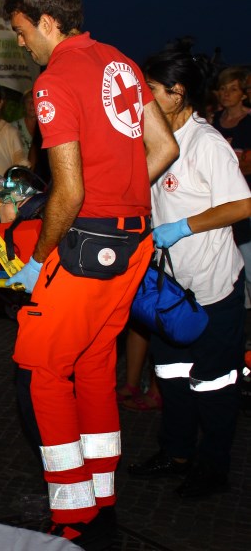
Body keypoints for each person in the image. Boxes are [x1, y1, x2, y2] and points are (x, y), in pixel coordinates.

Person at [1, 0, 179, 547]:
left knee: (43, 371)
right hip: (133, 244)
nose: (19, 42)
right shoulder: (123, 63)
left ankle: (74, 512)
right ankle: (103, 495)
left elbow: (69, 193)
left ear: (48, 21)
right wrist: (123, 198)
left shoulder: (54, 82)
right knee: (97, 366)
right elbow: (165, 147)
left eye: (22, 30)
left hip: (85, 250)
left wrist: (37, 260)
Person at [126, 40, 251, 499]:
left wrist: (183, 226)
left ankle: (212, 467)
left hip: (213, 291)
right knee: (172, 377)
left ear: (176, 93)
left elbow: (242, 204)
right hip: (168, 291)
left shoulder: (207, 144)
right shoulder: (156, 139)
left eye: (149, 88)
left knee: (213, 384)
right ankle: (175, 454)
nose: (140, 97)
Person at [210, 67, 251, 305]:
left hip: (243, 197)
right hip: (220, 198)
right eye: (223, 89)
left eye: (232, 89)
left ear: (243, 94)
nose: (226, 94)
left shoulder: (247, 122)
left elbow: (246, 165)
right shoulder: (214, 121)